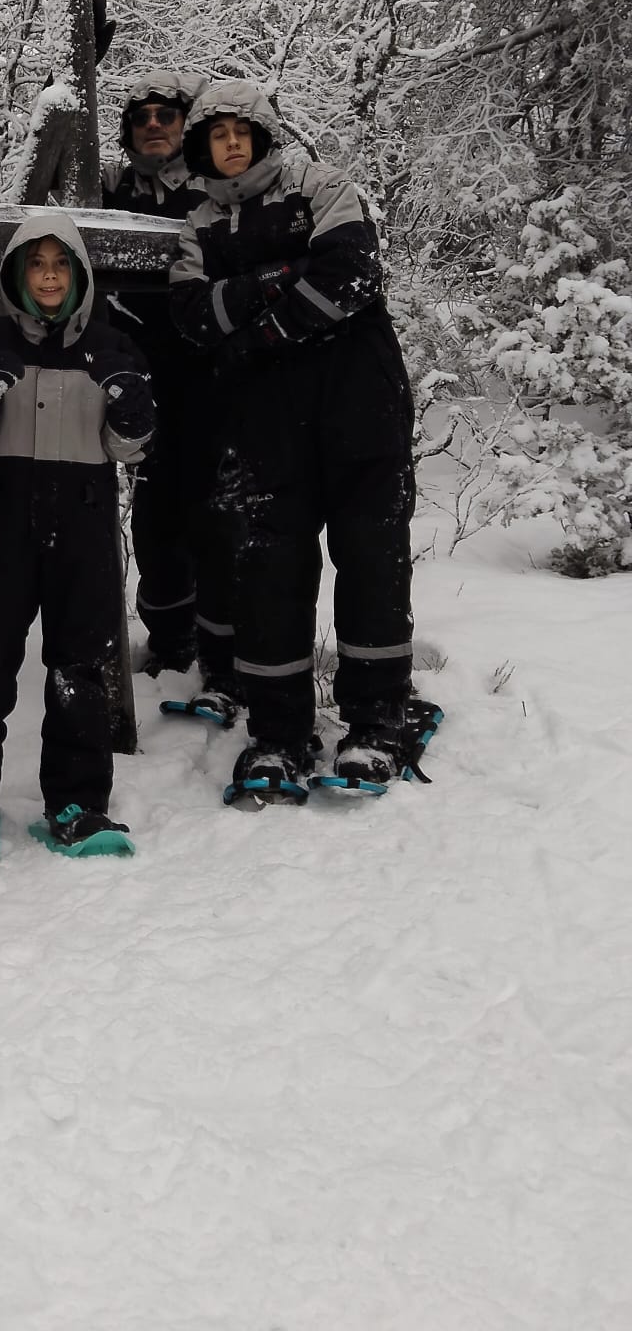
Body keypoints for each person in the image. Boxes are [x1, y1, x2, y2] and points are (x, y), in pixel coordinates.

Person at [169, 81, 417, 800]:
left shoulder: (321, 186)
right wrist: (282, 276)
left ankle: (376, 721)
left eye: (243, 130)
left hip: (360, 402)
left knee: (372, 559)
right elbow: (194, 315)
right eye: (217, 135)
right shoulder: (199, 227)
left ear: (266, 132)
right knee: (271, 572)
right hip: (266, 420)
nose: (233, 143)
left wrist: (263, 326)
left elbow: (352, 274)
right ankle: (278, 732)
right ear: (202, 147)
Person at [0, 208, 155, 873]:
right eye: (36, 264)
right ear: (17, 274)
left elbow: (129, 447)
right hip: (7, 521)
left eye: (59, 265)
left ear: (78, 275)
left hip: (83, 523)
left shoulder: (112, 346)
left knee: (78, 671)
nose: (48, 276)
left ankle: (78, 805)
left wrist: (132, 401)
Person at [100, 69, 235, 697]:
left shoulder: (218, 190)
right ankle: (170, 639)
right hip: (138, 374)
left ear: (187, 124)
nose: (153, 125)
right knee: (155, 513)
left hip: (211, 374)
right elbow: (47, 177)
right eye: (141, 117)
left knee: (214, 509)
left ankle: (221, 645)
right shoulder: (107, 187)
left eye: (167, 115)